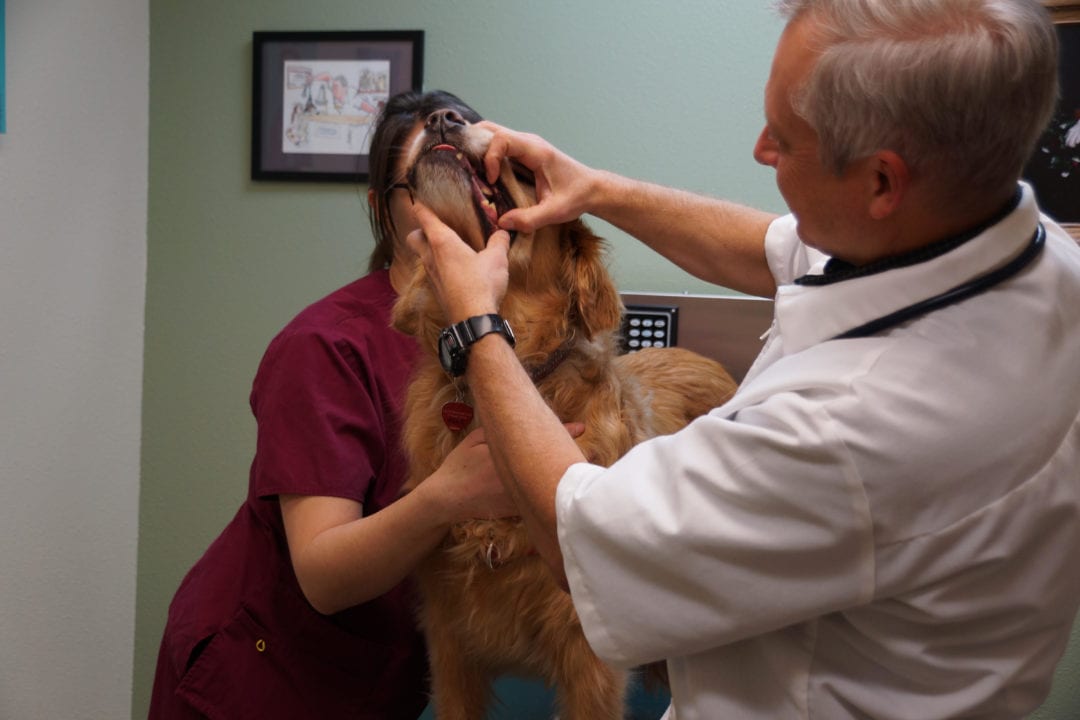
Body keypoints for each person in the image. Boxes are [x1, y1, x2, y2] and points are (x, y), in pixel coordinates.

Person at [406, 1, 1080, 718]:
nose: (761, 148)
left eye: (785, 138)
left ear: (883, 184)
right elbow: (776, 247)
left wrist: (475, 327)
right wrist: (598, 190)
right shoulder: (1025, 247)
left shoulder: (852, 427)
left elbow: (580, 542)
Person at [149, 90, 517, 719]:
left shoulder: (509, 331)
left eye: (467, 169)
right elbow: (321, 574)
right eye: (426, 176)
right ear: (383, 211)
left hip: (388, 673)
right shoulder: (325, 346)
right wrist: (449, 492)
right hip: (269, 674)